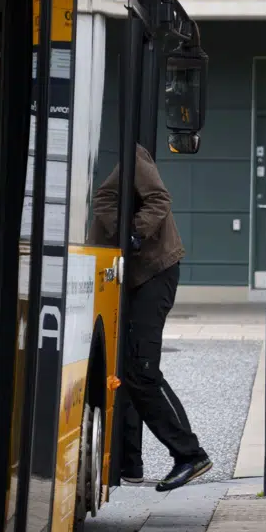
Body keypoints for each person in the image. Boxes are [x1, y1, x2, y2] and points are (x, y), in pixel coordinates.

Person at [88, 144, 211, 492]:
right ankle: (131, 463)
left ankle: (190, 454)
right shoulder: (111, 159)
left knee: (142, 371)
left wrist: (132, 233)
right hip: (137, 277)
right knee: (130, 369)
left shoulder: (132, 155)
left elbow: (159, 198)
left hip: (154, 274)